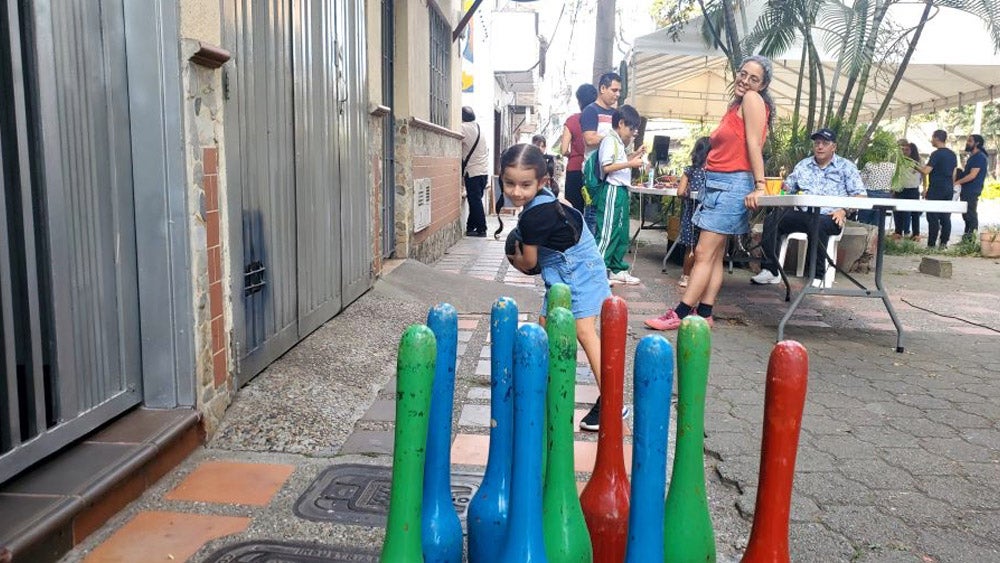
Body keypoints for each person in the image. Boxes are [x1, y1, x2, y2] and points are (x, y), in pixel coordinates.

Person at [644, 56, 775, 331]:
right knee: (713, 255)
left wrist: (760, 185)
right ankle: (704, 312)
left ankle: (680, 312)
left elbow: (754, 144)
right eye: (743, 74)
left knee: (702, 252)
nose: (746, 81)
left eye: (754, 79)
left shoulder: (752, 100)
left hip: (732, 184)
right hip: (718, 183)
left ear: (762, 86)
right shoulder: (736, 106)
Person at [500, 143, 615, 431]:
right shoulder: (546, 201)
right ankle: (540, 391)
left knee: (584, 332)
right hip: (569, 270)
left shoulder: (534, 215)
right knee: (544, 325)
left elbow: (529, 262)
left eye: (525, 184)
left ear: (541, 182)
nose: (516, 191)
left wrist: (514, 258)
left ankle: (614, 405)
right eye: (509, 183)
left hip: (576, 271)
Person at [747, 128, 866, 288]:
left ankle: (816, 275)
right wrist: (780, 186)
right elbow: (788, 188)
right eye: (817, 143)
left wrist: (843, 210)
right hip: (804, 214)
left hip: (831, 216)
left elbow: (860, 196)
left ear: (834, 147)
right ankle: (770, 271)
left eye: (825, 143)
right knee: (773, 218)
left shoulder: (846, 167)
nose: (820, 147)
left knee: (819, 223)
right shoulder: (804, 165)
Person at [595, 105, 645, 285]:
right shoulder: (610, 140)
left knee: (621, 232)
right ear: (621, 123)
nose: (632, 134)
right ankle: (597, 271)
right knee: (607, 232)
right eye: (631, 129)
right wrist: (631, 164)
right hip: (612, 190)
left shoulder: (618, 142)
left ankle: (616, 269)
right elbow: (607, 166)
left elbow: (620, 161)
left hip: (622, 190)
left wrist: (635, 155)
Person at [676, 137, 711, 288]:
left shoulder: (689, 171)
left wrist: (689, 193)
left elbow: (680, 191)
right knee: (705, 249)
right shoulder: (712, 172)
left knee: (690, 248)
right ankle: (701, 278)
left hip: (691, 216)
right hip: (707, 215)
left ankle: (685, 276)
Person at [560, 84, 599, 213]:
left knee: (573, 210)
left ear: (579, 101)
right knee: (593, 210)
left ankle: (574, 233)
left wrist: (573, 153)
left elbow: (564, 149)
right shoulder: (599, 119)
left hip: (575, 169)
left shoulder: (572, 120)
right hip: (594, 170)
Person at [919, 130, 958, 249]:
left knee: (933, 217)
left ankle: (931, 244)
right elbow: (954, 173)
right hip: (948, 188)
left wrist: (915, 166)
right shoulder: (952, 154)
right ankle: (943, 243)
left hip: (936, 188)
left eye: (932, 138)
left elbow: (926, 171)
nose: (931, 140)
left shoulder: (936, 154)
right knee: (945, 217)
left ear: (936, 138)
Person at [461, 106, 490, 237]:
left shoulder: (464, 128)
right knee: (475, 200)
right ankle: (470, 227)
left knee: (474, 201)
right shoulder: (478, 127)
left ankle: (482, 228)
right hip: (483, 172)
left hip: (473, 172)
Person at [955, 134, 988, 240]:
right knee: (966, 214)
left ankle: (971, 240)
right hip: (967, 189)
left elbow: (972, 175)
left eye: (969, 141)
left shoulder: (979, 157)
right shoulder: (973, 157)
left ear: (977, 143)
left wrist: (957, 182)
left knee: (970, 214)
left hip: (972, 189)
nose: (967, 143)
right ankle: (967, 238)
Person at [892, 140, 924, 241]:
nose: (904, 151)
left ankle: (916, 233)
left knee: (915, 212)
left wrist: (925, 187)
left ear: (912, 150)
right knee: (897, 211)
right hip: (900, 189)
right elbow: (895, 174)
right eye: (903, 149)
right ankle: (898, 232)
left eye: (907, 150)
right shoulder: (900, 160)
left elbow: (924, 174)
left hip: (913, 189)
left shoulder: (919, 161)